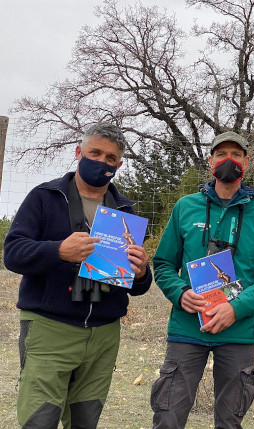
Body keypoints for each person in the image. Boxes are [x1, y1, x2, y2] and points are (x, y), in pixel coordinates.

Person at [4, 122, 152, 429]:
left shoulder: (126, 211)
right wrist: (58, 251)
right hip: (50, 329)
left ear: (119, 164)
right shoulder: (45, 197)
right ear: (78, 152)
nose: (102, 162)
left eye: (111, 158)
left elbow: (138, 286)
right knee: (38, 420)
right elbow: (13, 253)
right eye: (95, 152)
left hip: (103, 333)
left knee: (85, 421)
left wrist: (140, 272)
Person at [150, 131, 254, 429]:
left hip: (238, 331)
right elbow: (161, 263)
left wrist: (236, 308)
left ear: (246, 162)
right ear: (210, 160)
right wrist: (179, 293)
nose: (229, 160)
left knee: (229, 421)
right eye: (221, 154)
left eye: (236, 155)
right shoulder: (185, 207)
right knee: (168, 417)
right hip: (187, 328)